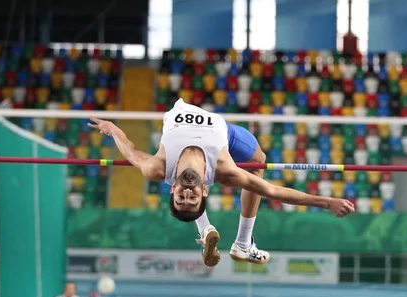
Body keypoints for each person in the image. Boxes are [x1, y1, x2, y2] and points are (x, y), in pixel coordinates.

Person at [88, 99, 355, 267]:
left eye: (182, 196)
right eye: (193, 198)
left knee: (258, 162)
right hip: (224, 133)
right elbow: (274, 191)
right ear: (205, 190)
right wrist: (327, 201)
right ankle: (242, 242)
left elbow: (130, 151)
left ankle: (213, 233)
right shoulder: (227, 171)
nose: (188, 192)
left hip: (196, 119)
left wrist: (113, 130)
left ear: (172, 188)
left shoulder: (156, 168)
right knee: (259, 163)